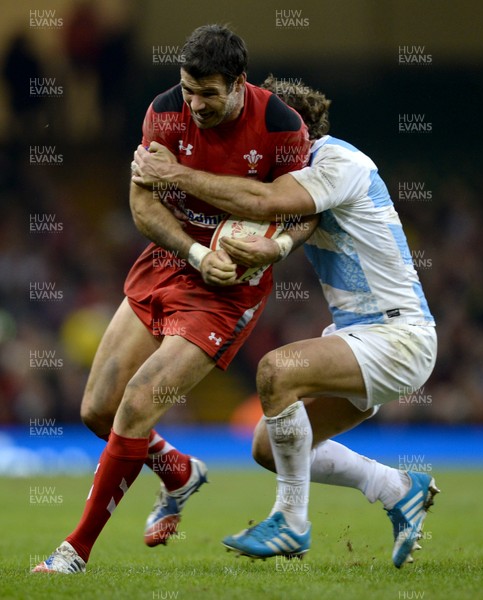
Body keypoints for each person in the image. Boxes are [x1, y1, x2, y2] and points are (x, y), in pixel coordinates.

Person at [131, 75, 439, 569]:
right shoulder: (305, 177)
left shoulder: (337, 161)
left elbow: (262, 203)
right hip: (359, 337)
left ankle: (291, 523)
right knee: (269, 445)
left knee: (277, 372)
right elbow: (277, 220)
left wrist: (177, 172)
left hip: (398, 335)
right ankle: (396, 487)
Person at [32, 28, 310, 574]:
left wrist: (274, 246)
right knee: (97, 411)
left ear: (238, 84)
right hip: (169, 263)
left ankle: (75, 550)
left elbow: (302, 210)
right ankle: (178, 472)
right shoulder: (164, 112)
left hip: (229, 289)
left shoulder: (281, 127)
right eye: (188, 90)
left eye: (208, 93)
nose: (195, 104)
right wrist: (193, 250)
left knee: (137, 402)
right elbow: (142, 205)